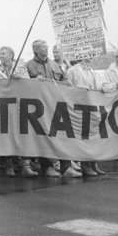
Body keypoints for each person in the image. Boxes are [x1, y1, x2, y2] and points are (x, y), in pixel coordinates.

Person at [25, 40, 78, 178]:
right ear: (36, 50)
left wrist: (66, 83)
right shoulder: (28, 66)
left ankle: (66, 167)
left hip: (56, 106)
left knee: (62, 134)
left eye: (46, 46)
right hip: (40, 108)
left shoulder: (54, 65)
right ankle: (47, 167)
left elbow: (65, 80)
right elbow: (23, 85)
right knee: (44, 137)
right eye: (44, 47)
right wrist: (34, 81)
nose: (47, 49)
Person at [0, 46, 33, 177]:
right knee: (6, 136)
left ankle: (26, 165)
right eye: (0, 53)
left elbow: (30, 84)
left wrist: (19, 78)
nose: (0, 55)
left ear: (11, 55)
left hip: (20, 106)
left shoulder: (21, 68)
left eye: (3, 53)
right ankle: (9, 165)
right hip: (4, 107)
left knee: (24, 135)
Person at [66, 58, 107, 176]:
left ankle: (94, 164)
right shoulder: (72, 71)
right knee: (83, 136)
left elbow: (97, 86)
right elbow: (68, 88)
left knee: (93, 136)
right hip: (79, 106)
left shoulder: (91, 71)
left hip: (91, 105)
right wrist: (80, 90)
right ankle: (85, 165)